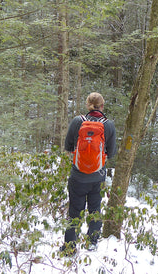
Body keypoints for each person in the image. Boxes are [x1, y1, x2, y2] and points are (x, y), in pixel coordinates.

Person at [62, 92, 116, 255]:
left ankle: (70, 247)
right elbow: (112, 153)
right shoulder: (108, 125)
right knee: (95, 209)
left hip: (78, 176)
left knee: (75, 211)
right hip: (97, 176)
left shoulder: (78, 121)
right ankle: (91, 242)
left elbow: (68, 147)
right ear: (102, 105)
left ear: (87, 105)